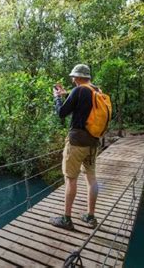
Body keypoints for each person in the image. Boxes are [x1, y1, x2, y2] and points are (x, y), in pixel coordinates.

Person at [50, 64, 99, 231]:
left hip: (77, 142)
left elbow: (61, 113)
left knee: (70, 178)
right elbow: (84, 108)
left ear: (78, 77)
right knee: (91, 178)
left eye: (73, 77)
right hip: (93, 142)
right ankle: (90, 216)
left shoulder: (78, 91)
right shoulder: (96, 91)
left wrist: (57, 97)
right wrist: (67, 94)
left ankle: (66, 219)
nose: (72, 79)